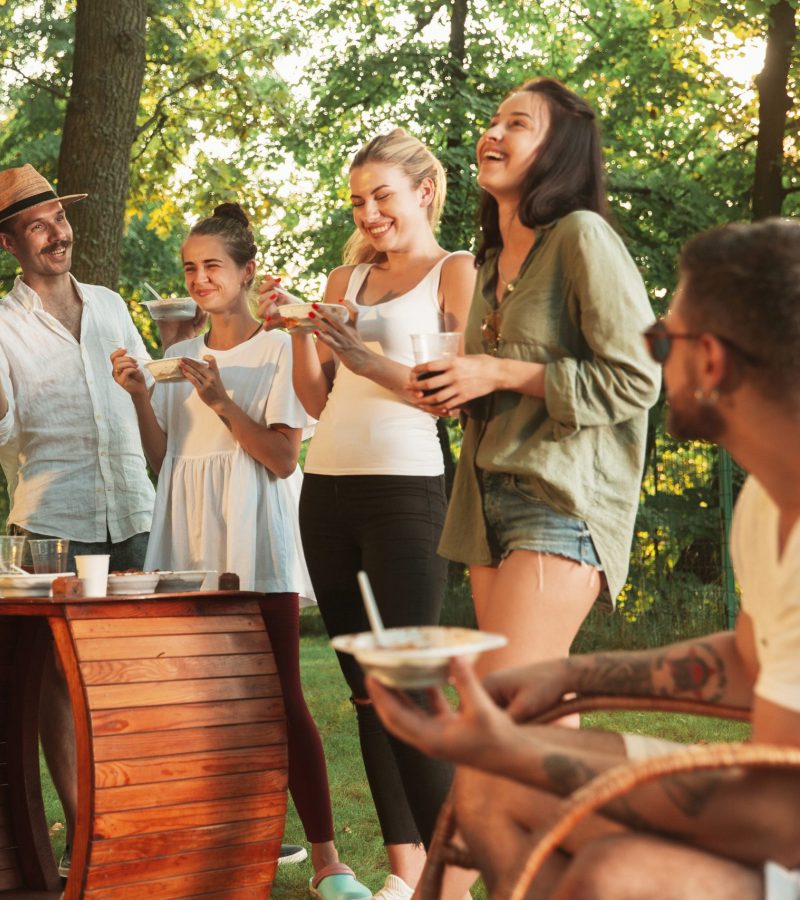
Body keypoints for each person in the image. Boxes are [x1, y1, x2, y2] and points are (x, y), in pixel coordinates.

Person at [367, 218, 800, 899]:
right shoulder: (767, 505)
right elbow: (751, 661)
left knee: (617, 873)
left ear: (711, 361)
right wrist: (568, 675)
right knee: (491, 791)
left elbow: (782, 817)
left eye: (661, 339)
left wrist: (512, 746)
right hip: (774, 800)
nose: (649, 356)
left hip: (784, 821)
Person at [113, 202, 372, 900]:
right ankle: (215, 846)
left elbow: (283, 460)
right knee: (196, 700)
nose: (199, 279)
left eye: (213, 267)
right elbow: (164, 456)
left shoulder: (279, 347)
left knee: (281, 696)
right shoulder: (176, 359)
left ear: (247, 271)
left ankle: (327, 860)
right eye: (191, 268)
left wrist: (226, 401)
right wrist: (141, 397)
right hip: (186, 534)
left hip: (252, 532)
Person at [258, 129, 476, 900]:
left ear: (424, 190)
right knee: (363, 690)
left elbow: (445, 393)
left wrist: (356, 352)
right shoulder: (344, 275)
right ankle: (407, 871)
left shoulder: (456, 271)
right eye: (358, 199)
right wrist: (300, 335)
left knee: (409, 685)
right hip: (328, 489)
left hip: (406, 488)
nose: (370, 211)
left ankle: (458, 868)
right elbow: (317, 401)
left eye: (383, 194)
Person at [410, 78, 660, 681]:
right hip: (484, 502)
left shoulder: (581, 235)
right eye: (493, 121)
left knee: (504, 700)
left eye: (517, 124)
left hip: (560, 497)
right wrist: (458, 392)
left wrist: (495, 369)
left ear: (558, 151)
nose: (491, 132)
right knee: (527, 709)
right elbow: (502, 383)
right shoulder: (490, 262)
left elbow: (638, 377)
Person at [0, 163, 174, 876]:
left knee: (140, 675)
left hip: (136, 514)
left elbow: (144, 394)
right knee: (59, 683)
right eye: (38, 224)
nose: (58, 232)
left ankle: (140, 818)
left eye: (59, 216)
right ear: (8, 243)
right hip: (53, 523)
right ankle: (86, 833)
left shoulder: (111, 304)